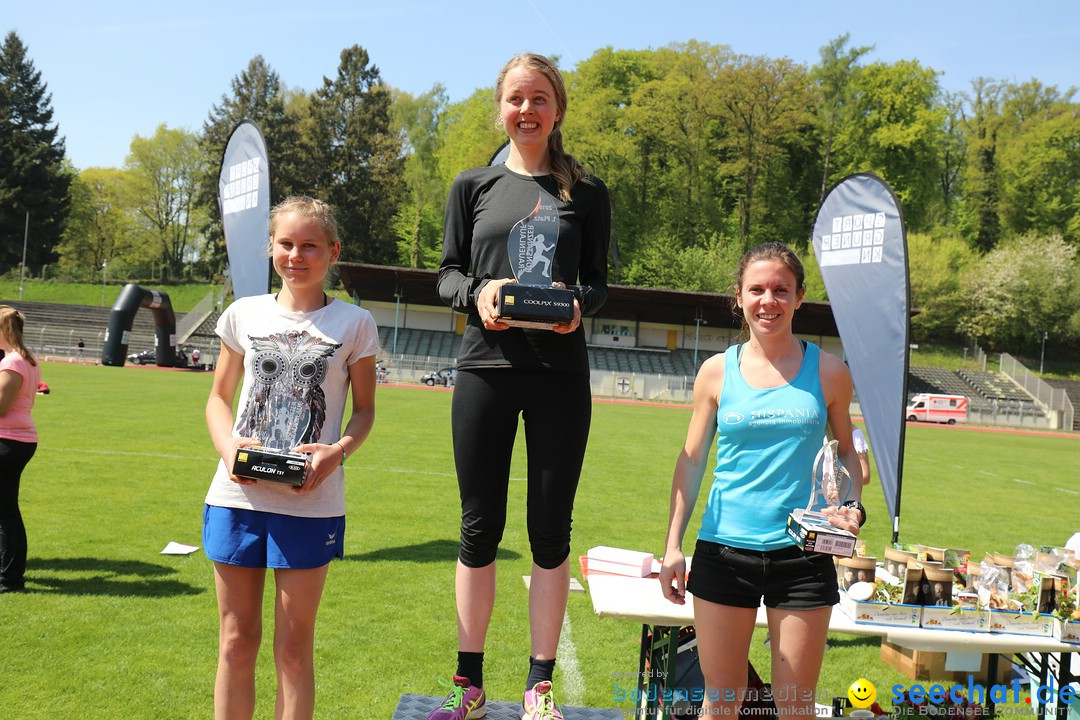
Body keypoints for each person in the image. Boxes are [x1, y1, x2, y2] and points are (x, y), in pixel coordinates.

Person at [428, 52, 610, 720]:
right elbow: (445, 273)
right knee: (479, 528)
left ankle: (539, 687)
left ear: (557, 108)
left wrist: (577, 304)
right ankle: (467, 686)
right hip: (485, 370)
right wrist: (479, 293)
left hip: (560, 376)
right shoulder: (471, 186)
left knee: (550, 531)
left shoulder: (585, 191)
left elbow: (598, 282)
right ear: (499, 107)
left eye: (539, 98)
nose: (526, 110)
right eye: (515, 99)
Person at [658, 242, 864, 719]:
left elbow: (848, 453)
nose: (768, 300)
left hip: (805, 554)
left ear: (799, 298)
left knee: (794, 705)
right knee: (722, 700)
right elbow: (691, 461)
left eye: (780, 290)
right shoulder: (714, 372)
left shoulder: (831, 372)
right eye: (757, 289)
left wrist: (851, 506)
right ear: (739, 296)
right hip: (724, 554)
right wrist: (673, 545)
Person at [203, 196, 378, 720]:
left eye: (309, 246)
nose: (296, 255)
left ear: (333, 252)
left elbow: (365, 412)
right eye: (286, 244)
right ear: (271, 248)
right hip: (236, 499)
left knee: (294, 651)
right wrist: (230, 447)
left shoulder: (355, 323)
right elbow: (217, 399)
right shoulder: (243, 313)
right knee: (235, 642)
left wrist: (337, 452)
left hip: (310, 504)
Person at [0, 306, 41, 594]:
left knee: (6, 511)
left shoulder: (12, 363)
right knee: (6, 510)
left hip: (9, 440)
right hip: (18, 438)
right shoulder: (27, 359)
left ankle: (9, 578)